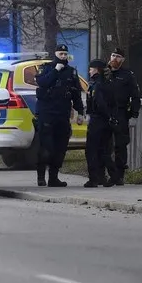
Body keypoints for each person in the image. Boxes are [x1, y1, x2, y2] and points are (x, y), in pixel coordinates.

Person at [34, 44, 85, 187]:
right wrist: (55, 71)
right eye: (60, 54)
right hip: (47, 113)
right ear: (55, 54)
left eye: (65, 54)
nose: (63, 57)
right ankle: (40, 176)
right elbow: (42, 82)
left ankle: (54, 178)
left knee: (60, 147)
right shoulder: (47, 68)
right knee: (46, 147)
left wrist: (80, 112)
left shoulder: (71, 72)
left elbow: (76, 94)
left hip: (62, 114)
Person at [104, 48, 141, 185]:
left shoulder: (127, 75)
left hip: (120, 113)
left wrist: (134, 115)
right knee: (104, 145)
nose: (115, 58)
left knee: (120, 145)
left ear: (122, 60)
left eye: (118, 56)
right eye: (113, 55)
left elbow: (135, 97)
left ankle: (119, 175)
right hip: (105, 112)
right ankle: (105, 174)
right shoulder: (104, 72)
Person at [83, 59, 118, 188]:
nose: (89, 71)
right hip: (106, 121)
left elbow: (99, 103)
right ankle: (113, 176)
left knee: (91, 151)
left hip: (97, 120)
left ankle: (93, 179)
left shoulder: (96, 84)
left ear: (96, 69)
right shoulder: (108, 83)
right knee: (104, 151)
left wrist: (102, 115)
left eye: (91, 69)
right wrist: (110, 117)